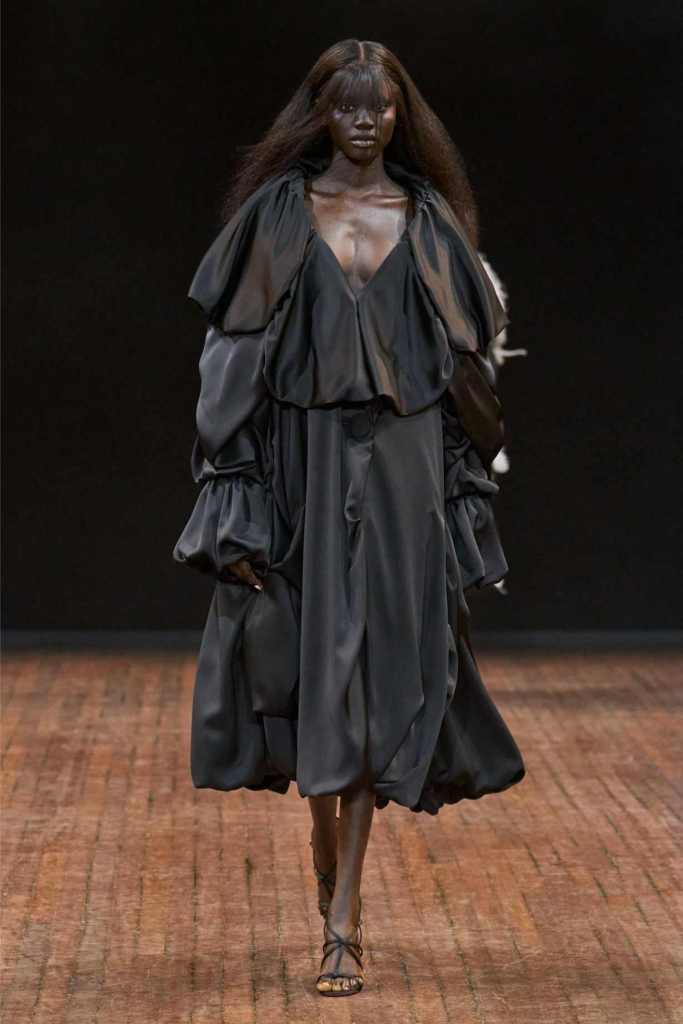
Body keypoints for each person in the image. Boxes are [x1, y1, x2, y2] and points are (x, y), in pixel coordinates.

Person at [173, 38, 525, 997]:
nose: (365, 121)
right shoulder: (278, 216)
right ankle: (327, 849)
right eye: (347, 106)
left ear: (401, 116)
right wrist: (231, 494)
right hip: (303, 464)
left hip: (405, 474)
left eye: (381, 106)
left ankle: (344, 920)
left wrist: (467, 489)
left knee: (380, 674)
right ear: (321, 113)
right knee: (310, 666)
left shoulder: (429, 221)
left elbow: (466, 368)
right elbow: (230, 362)